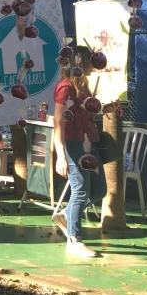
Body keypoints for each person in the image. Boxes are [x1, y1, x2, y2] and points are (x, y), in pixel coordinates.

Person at [52, 45, 107, 258]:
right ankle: (74, 240)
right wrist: (61, 155)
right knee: (81, 190)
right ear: (80, 63)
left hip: (88, 142)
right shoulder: (65, 88)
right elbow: (58, 123)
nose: (94, 66)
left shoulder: (84, 88)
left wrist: (107, 108)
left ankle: (66, 214)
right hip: (73, 144)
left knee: (99, 189)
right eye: (90, 62)